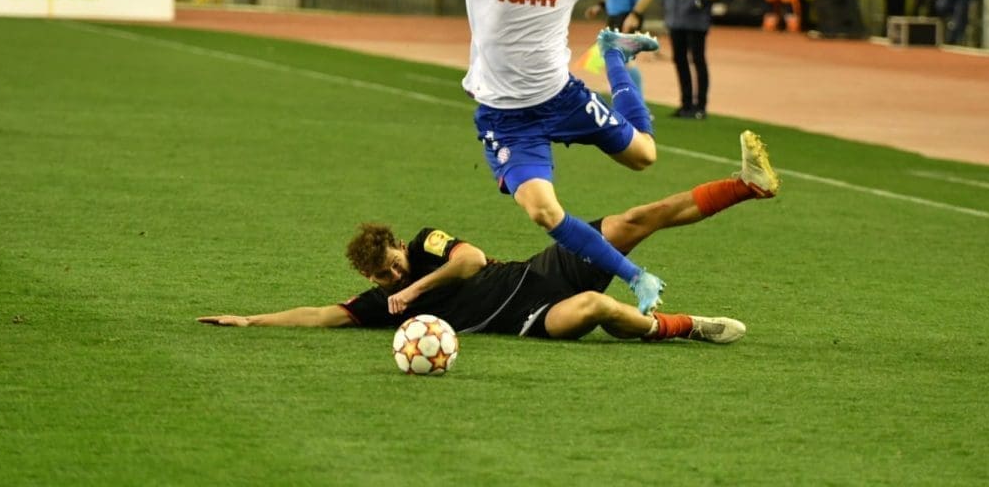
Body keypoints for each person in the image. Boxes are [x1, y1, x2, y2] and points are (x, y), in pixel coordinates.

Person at [383, 0, 739, 313]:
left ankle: (613, 56)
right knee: (544, 212)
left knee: (644, 156)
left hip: (562, 99)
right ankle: (636, 276)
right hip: (508, 119)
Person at [197, 131, 781, 343]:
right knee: (599, 307)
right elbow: (323, 315)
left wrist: (417, 290)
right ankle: (684, 327)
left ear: (399, 246)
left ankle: (746, 186)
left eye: (390, 266)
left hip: (539, 271)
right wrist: (252, 320)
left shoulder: (427, 246)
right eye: (380, 277)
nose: (391, 278)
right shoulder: (383, 305)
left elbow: (473, 259)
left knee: (635, 217)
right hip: (531, 320)